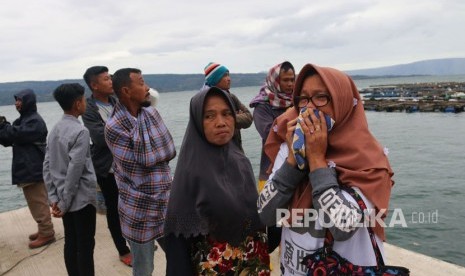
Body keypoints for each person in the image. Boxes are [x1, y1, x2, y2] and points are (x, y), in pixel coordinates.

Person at [258, 64, 394, 275]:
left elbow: (342, 225)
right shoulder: (289, 148)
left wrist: (317, 160)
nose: (310, 108)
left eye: (321, 97)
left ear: (342, 102)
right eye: (303, 99)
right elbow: (265, 213)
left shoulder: (368, 159)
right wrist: (292, 164)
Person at [164, 87, 270, 275]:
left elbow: (256, 219)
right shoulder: (191, 172)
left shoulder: (240, 160)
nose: (221, 123)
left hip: (253, 264)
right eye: (209, 116)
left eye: (227, 113)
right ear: (197, 121)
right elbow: (178, 241)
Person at [104, 68, 176, 276]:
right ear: (126, 91)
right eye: (142, 83)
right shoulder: (114, 127)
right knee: (144, 268)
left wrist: (153, 154)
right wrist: (156, 153)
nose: (147, 88)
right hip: (138, 206)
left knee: (180, 257)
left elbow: (170, 148)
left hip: (165, 199)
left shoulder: (151, 113)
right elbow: (140, 167)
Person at [43, 83, 97, 276]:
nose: (85, 103)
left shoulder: (55, 129)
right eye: (83, 99)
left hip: (62, 197)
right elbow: (75, 171)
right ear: (77, 104)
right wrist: (64, 203)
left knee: (71, 242)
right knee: (85, 245)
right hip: (80, 198)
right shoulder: (81, 132)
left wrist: (54, 198)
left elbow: (47, 165)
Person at [82, 66, 132, 266]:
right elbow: (99, 137)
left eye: (110, 78)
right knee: (114, 209)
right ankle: (122, 249)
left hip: (127, 163)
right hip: (107, 167)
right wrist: (125, 130)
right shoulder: (89, 108)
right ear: (94, 85)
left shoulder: (116, 101)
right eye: (105, 79)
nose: (111, 81)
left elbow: (134, 123)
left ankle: (137, 241)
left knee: (130, 206)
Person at [249, 61, 295, 255]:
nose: (290, 84)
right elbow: (269, 133)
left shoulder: (297, 100)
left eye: (292, 79)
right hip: (270, 170)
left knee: (296, 216)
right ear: (276, 81)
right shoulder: (262, 106)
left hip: (297, 168)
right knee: (274, 220)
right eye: (285, 80)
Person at [0, 89, 55, 249]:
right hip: (27, 167)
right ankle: (43, 228)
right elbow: (7, 138)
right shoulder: (23, 120)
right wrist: (3, 127)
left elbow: (16, 135)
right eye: (16, 100)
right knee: (33, 200)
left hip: (34, 167)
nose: (17, 103)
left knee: (37, 200)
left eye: (20, 100)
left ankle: (47, 232)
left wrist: (3, 125)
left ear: (28, 102)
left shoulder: (35, 121)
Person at [202, 62, 253, 151]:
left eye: (228, 75)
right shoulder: (203, 101)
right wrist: (236, 117)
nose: (229, 79)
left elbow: (249, 118)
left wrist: (232, 118)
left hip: (236, 149)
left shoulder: (231, 98)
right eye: (224, 76)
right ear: (215, 79)